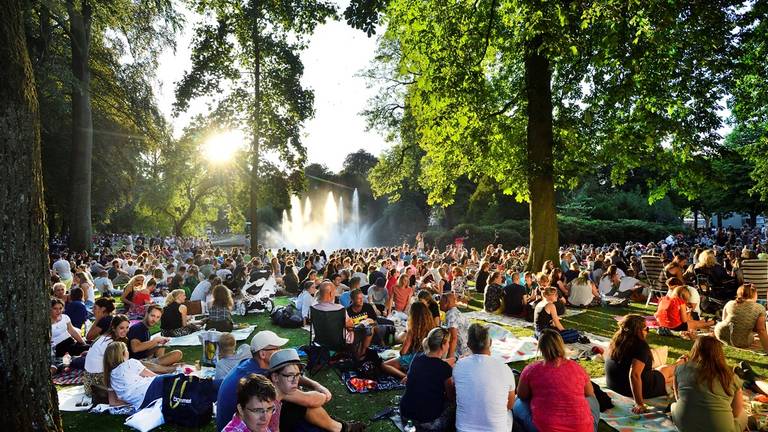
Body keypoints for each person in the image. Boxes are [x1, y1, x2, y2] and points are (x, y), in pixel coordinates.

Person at [216, 331, 352, 432]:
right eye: (276, 349)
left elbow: (287, 373)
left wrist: (314, 384)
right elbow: (310, 400)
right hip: (246, 425)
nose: (279, 352)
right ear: (263, 354)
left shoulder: (252, 364)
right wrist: (324, 393)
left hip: (240, 420)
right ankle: (341, 428)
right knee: (298, 406)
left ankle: (337, 426)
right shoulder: (262, 379)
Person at [513, 329, 599, 432]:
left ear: (540, 348)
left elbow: (522, 395)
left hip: (543, 428)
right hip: (584, 428)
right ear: (561, 345)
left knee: (517, 402)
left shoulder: (531, 369)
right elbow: (589, 393)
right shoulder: (577, 368)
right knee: (592, 399)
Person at [267, 349, 366, 432]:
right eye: (289, 376)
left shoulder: (277, 390)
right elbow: (310, 400)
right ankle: (343, 427)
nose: (295, 381)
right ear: (275, 377)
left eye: (297, 375)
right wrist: (323, 394)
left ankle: (342, 427)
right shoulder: (267, 404)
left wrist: (316, 386)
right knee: (302, 407)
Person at [671, 336, 749, 432]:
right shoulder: (730, 376)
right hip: (720, 428)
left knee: (674, 405)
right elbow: (736, 413)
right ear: (719, 353)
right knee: (743, 414)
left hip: (684, 425)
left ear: (695, 349)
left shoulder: (680, 369)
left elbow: (677, 398)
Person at [605, 314, 680, 413]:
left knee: (664, 372)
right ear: (638, 330)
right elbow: (634, 375)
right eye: (646, 328)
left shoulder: (617, 340)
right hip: (635, 388)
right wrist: (639, 403)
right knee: (667, 369)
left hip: (615, 385)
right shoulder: (640, 345)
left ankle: (679, 363)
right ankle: (681, 363)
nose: (647, 331)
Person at [453, 323, 516, 432]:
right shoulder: (505, 369)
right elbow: (509, 405)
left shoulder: (459, 366)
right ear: (490, 343)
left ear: (468, 344)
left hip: (463, 429)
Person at [399, 327, 455, 430]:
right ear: (443, 345)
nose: (448, 346)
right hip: (427, 421)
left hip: (405, 414)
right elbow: (451, 396)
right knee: (455, 405)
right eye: (448, 343)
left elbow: (431, 366)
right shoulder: (445, 368)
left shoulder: (417, 357)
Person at [103, 341, 171, 410]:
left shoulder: (110, 376)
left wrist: (133, 402)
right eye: (127, 350)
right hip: (150, 389)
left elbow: (113, 403)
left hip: (142, 403)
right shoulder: (131, 363)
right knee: (175, 379)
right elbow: (154, 376)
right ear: (123, 353)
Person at [381, 302, 436, 381]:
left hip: (413, 359)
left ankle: (406, 376)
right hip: (428, 359)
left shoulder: (412, 330)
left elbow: (403, 352)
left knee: (383, 365)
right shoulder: (432, 327)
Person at [83, 315, 130, 396]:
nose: (125, 330)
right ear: (113, 328)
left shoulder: (103, 337)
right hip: (99, 386)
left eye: (127, 327)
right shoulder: (111, 343)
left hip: (88, 383)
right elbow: (120, 368)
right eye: (121, 328)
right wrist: (126, 356)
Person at [715, 283, 768, 352]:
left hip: (720, 334)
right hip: (741, 341)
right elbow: (761, 330)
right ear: (755, 294)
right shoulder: (759, 308)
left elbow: (724, 320)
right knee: (752, 337)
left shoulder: (730, 303)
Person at [127, 304, 182, 369]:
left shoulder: (145, 329)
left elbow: (145, 352)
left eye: (158, 317)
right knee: (177, 354)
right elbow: (135, 348)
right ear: (147, 314)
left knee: (161, 346)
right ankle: (163, 367)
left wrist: (158, 345)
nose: (154, 319)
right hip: (139, 364)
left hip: (146, 360)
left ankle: (162, 366)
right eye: (152, 316)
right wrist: (155, 341)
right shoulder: (137, 328)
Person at [346, 288, 378, 359]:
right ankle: (359, 356)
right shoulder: (347, 311)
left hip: (368, 329)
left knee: (370, 328)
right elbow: (348, 328)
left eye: (362, 298)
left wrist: (369, 322)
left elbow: (375, 322)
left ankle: (363, 353)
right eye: (358, 298)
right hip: (355, 332)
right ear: (352, 300)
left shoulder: (368, 307)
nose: (361, 300)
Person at [440, 292, 470, 364]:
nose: (439, 304)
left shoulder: (451, 315)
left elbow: (454, 338)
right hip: (467, 347)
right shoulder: (456, 312)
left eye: (441, 302)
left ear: (447, 303)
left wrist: (449, 357)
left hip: (461, 351)